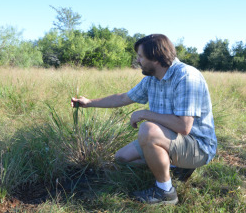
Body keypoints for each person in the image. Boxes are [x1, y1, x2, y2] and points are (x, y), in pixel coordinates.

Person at [71, 34, 217, 205]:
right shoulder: (151, 79)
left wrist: (145, 114)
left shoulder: (187, 77)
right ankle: (175, 168)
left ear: (155, 59)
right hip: (172, 141)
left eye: (140, 56)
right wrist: (88, 103)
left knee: (148, 129)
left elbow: (184, 127)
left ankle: (165, 191)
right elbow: (124, 98)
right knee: (122, 158)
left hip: (198, 146)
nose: (137, 60)